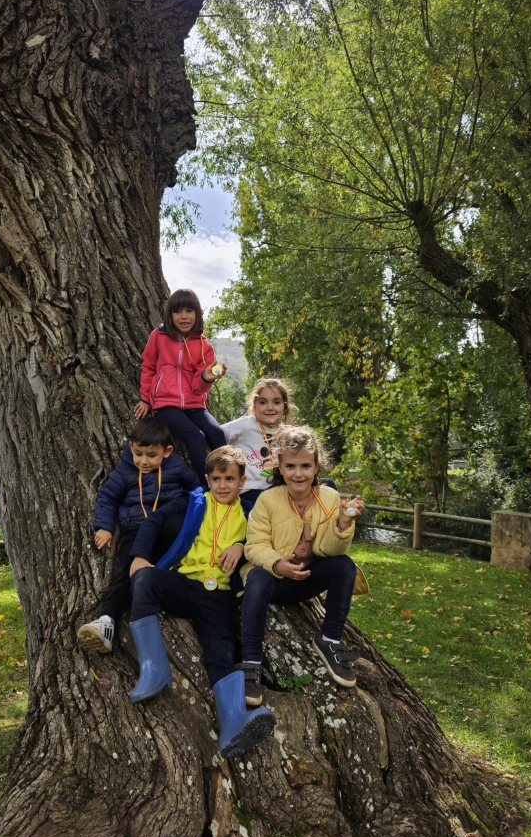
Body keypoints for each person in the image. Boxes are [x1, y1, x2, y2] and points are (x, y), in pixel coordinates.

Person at [127, 446, 276, 758]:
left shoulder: (249, 512)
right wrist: (141, 557)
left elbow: (264, 538)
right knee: (145, 580)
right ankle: (153, 669)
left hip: (218, 594)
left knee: (222, 649)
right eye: (217, 478)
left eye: (230, 479)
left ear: (242, 481)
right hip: (184, 582)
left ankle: (233, 724)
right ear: (208, 479)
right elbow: (154, 521)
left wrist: (240, 544)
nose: (223, 485)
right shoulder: (193, 500)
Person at [238, 426, 368, 706]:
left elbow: (329, 550)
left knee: (344, 565)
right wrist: (277, 564)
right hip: (273, 580)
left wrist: (344, 524)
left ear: (317, 465)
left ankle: (329, 640)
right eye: (291, 466)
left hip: (307, 577)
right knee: (257, 577)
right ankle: (250, 662)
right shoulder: (267, 500)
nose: (299, 473)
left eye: (306, 466)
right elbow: (254, 545)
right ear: (279, 467)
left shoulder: (330, 498)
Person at [77, 417, 199, 653]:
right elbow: (108, 497)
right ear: (131, 447)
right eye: (139, 453)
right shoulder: (125, 471)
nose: (144, 461)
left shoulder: (176, 467)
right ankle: (106, 622)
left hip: (168, 531)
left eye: (152, 455)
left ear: (167, 451)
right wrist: (104, 526)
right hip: (137, 531)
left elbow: (195, 491)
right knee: (127, 570)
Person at [134, 288, 227, 485]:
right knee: (196, 437)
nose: (183, 317)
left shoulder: (204, 347)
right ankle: (208, 486)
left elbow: (197, 388)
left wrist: (206, 377)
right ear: (170, 314)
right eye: (177, 312)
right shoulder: (159, 336)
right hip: (166, 404)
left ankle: (227, 476)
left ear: (197, 314)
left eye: (189, 311)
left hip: (194, 405)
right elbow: (148, 366)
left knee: (217, 433)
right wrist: (145, 399)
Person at [223, 377, 295, 505]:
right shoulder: (245, 425)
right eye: (263, 402)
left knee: (327, 484)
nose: (270, 407)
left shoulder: (287, 434)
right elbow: (214, 435)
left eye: (276, 402)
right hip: (249, 491)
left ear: (285, 406)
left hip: (277, 488)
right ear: (254, 406)